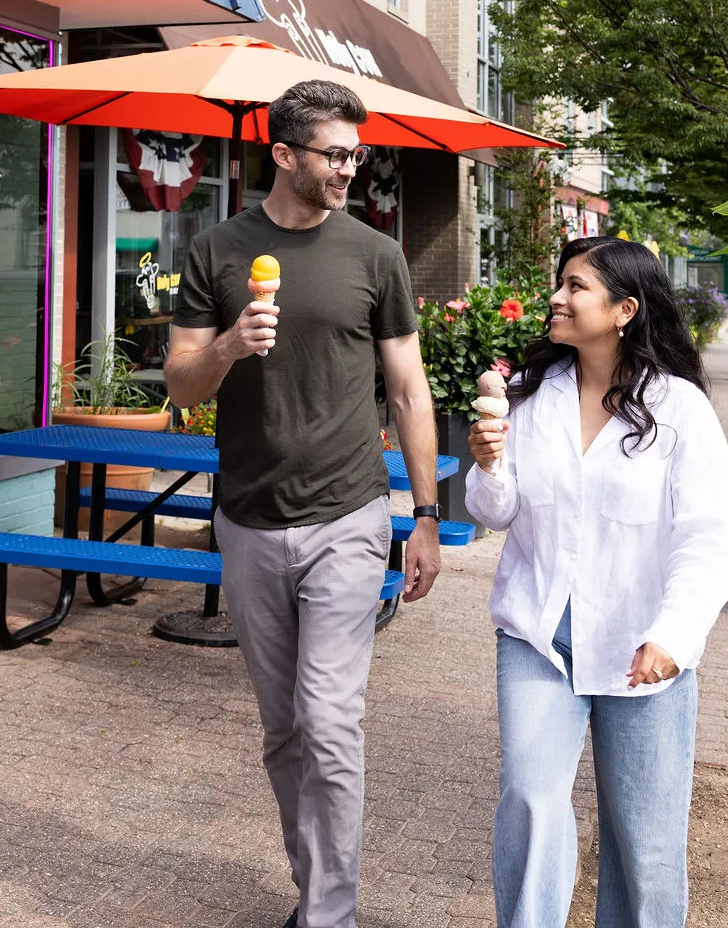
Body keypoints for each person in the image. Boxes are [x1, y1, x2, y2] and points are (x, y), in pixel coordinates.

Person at [165, 79, 441, 928]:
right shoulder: (217, 249)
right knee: (285, 729)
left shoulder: (375, 255)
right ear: (283, 154)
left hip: (348, 516)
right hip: (247, 519)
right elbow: (179, 381)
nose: (350, 167)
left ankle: (330, 912)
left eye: (357, 153)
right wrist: (226, 344)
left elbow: (409, 388)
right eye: (336, 153)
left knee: (328, 720)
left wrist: (424, 512)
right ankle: (313, 883)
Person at [466, 236, 728, 928]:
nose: (557, 296)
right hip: (539, 632)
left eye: (575, 286)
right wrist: (489, 464)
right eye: (560, 282)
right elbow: (494, 512)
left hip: (640, 641)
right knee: (530, 796)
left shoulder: (680, 410)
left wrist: (673, 635)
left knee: (644, 839)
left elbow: (705, 540)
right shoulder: (530, 396)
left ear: (624, 309)